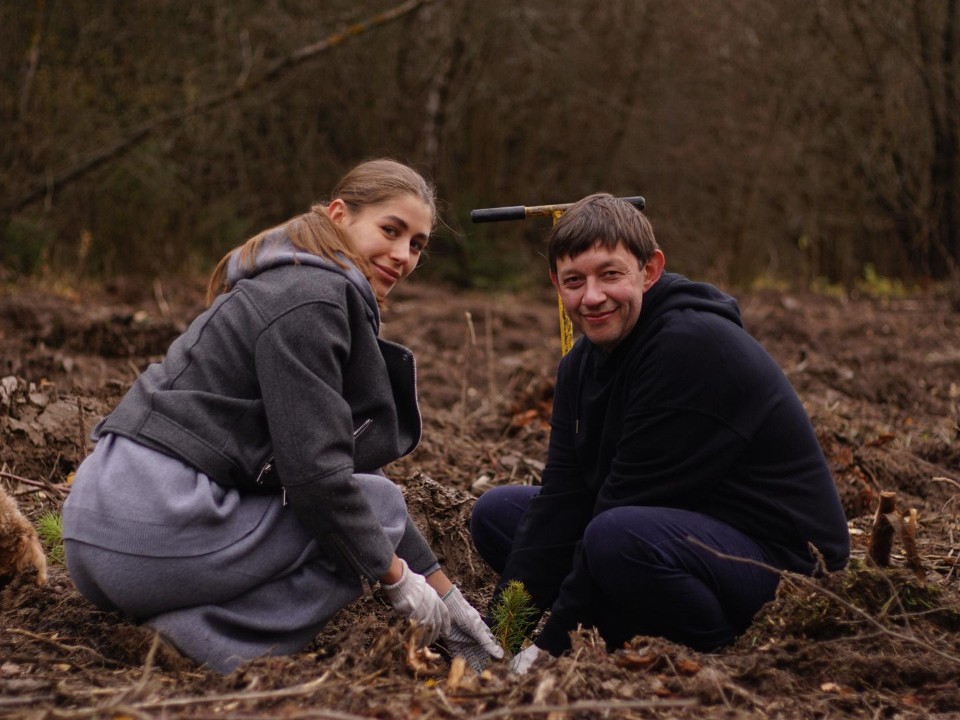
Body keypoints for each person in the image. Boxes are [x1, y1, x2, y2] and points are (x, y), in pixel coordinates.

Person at [62, 159, 502, 673]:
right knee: (358, 529)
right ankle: (198, 642)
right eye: (391, 230)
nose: (402, 255)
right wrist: (395, 578)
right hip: (145, 528)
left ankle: (183, 616)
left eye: (418, 244)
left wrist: (447, 599)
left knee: (365, 512)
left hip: (97, 529)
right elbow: (321, 481)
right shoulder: (313, 301)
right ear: (339, 215)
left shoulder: (288, 280)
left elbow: (347, 469)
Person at [470, 193, 850, 673]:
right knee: (499, 513)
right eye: (574, 281)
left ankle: (719, 650)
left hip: (784, 568)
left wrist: (546, 651)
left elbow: (617, 508)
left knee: (614, 537)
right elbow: (563, 499)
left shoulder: (689, 346)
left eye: (610, 274)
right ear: (555, 285)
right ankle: (627, 619)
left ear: (649, 271)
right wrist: (499, 638)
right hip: (681, 532)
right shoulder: (579, 367)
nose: (592, 297)